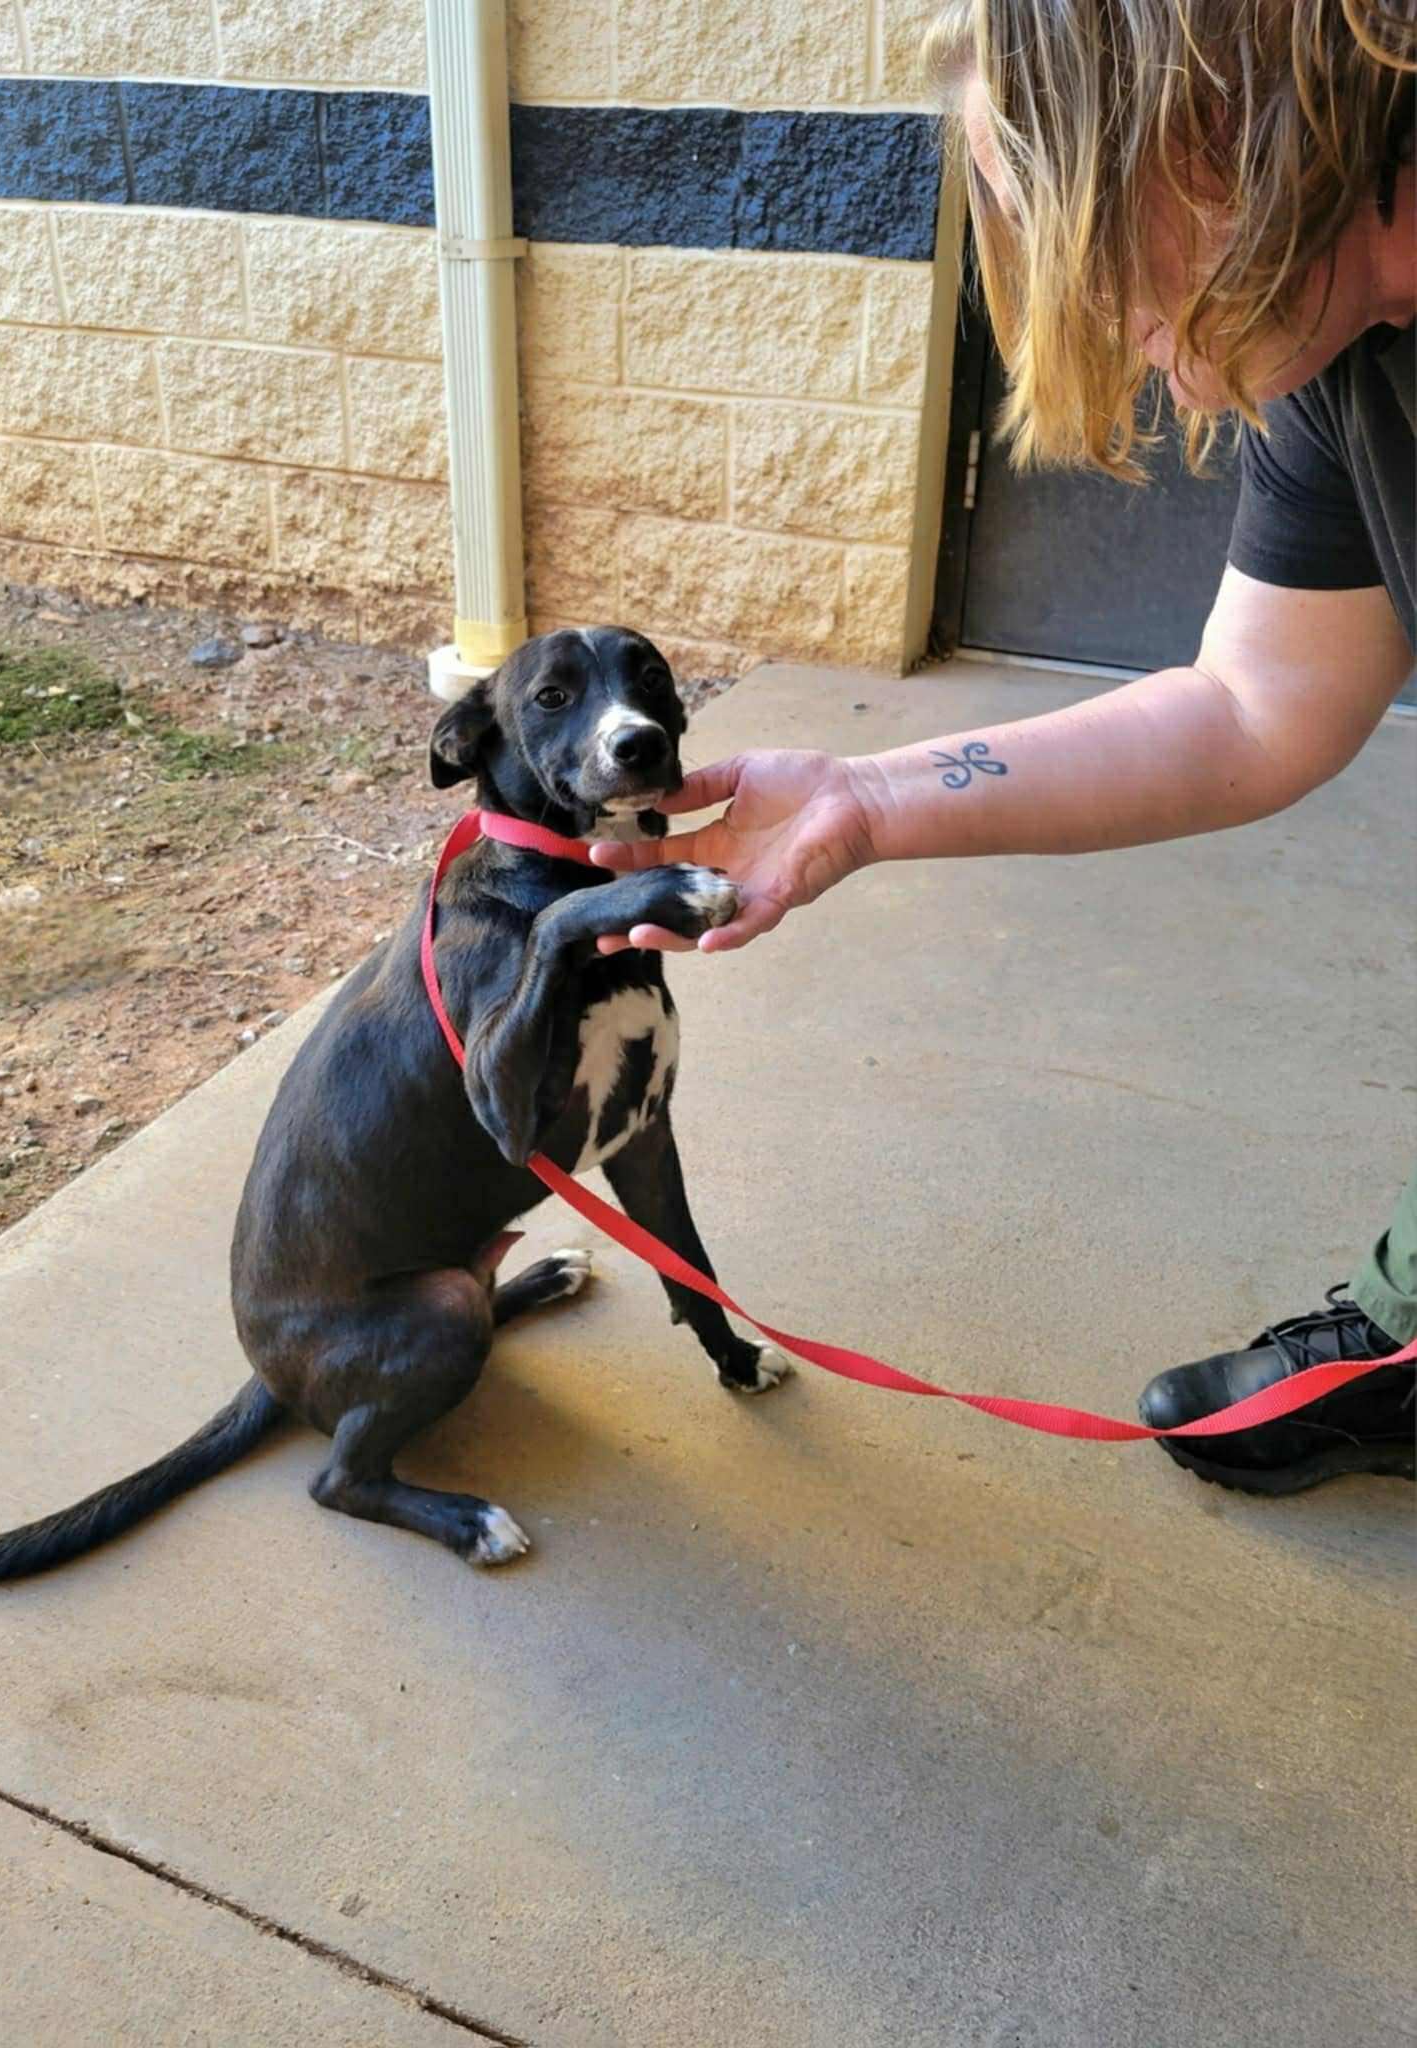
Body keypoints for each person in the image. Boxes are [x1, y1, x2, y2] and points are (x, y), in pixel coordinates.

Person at [588, 0, 1416, 1495]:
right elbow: (1252, 706)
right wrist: (867, 794)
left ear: (1218, 131)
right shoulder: (1339, 350)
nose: (1094, 316)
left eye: (1087, 240)